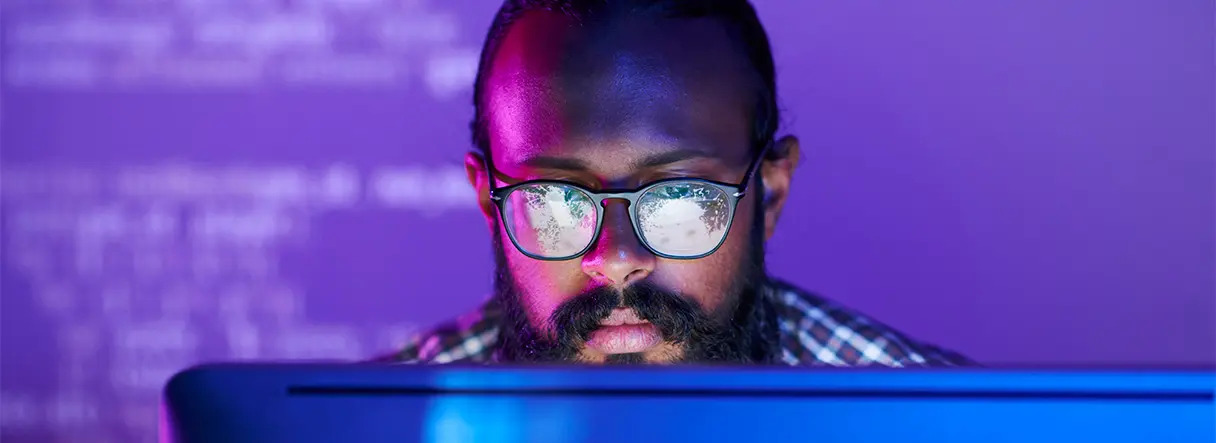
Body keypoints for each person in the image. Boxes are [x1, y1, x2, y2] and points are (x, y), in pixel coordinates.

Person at [382, 0, 971, 366]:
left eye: (680, 198)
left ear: (770, 192)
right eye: (556, 201)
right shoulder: (363, 427)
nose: (615, 262)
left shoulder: (944, 422)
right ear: (488, 199)